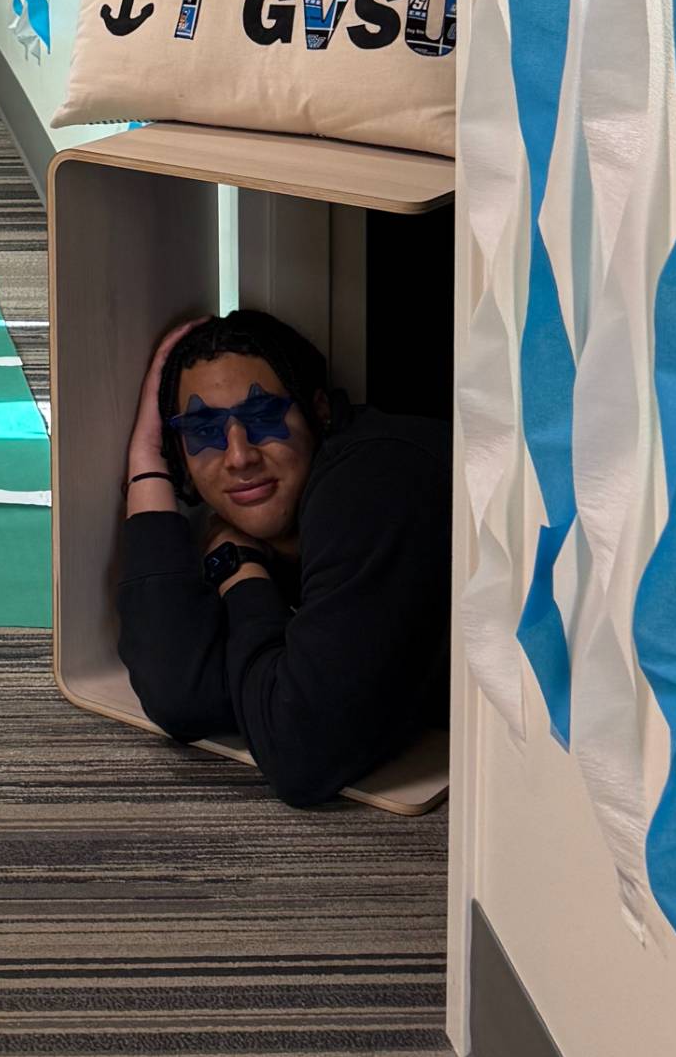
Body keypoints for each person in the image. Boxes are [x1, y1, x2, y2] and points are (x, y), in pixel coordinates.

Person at [117, 307, 451, 808]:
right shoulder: (271, 526)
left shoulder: (372, 484)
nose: (238, 456)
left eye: (262, 417)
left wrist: (239, 571)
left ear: (317, 412)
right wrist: (146, 459)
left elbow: (301, 757)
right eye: (204, 432)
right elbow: (182, 695)